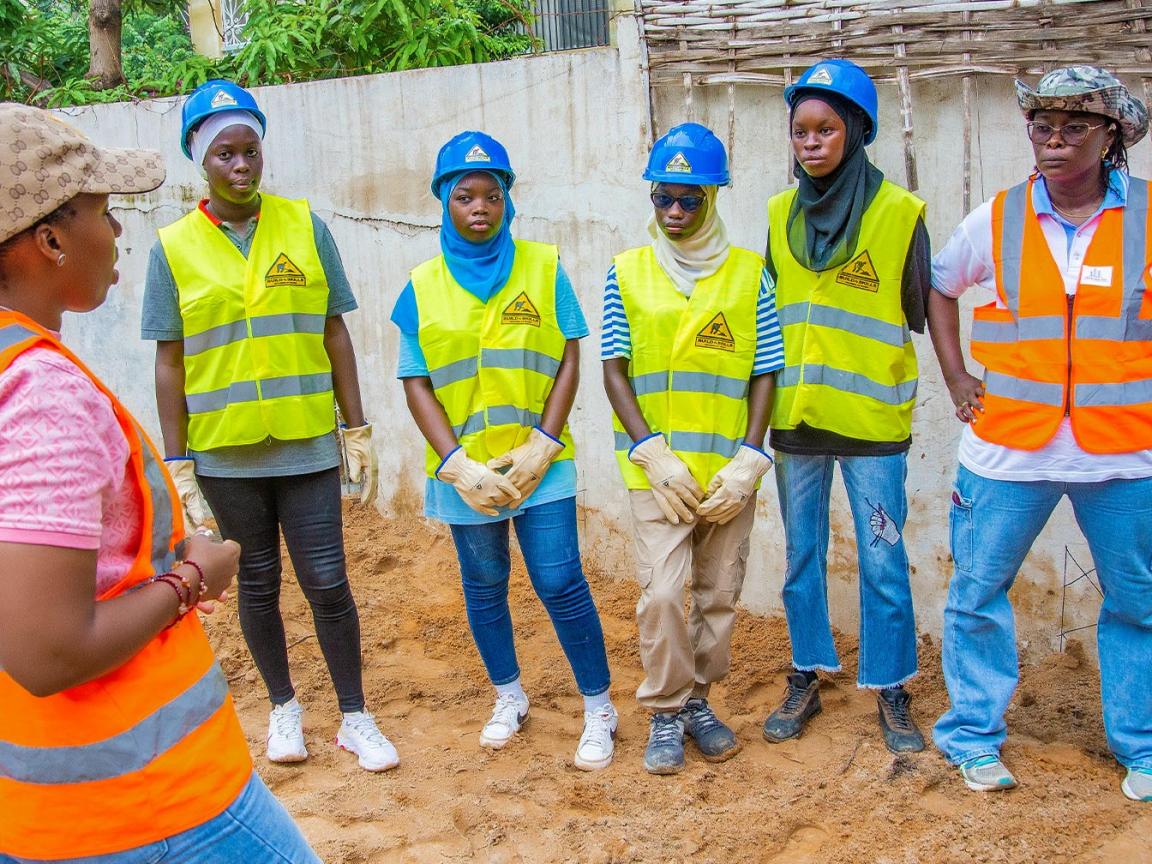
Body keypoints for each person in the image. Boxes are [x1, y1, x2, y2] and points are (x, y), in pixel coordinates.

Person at [0, 104, 322, 863]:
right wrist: (188, 578)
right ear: (48, 239)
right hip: (142, 798)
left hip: (37, 800)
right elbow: (47, 652)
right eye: (105, 214)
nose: (117, 234)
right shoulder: (39, 391)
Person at [141, 79, 397, 772]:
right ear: (203, 158)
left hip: (308, 445)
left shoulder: (305, 226)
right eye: (225, 153)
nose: (241, 165)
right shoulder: (173, 248)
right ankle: (284, 710)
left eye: (250, 150)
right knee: (256, 585)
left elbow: (334, 332)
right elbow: (170, 363)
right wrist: (178, 460)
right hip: (225, 456)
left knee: (327, 582)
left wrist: (356, 427)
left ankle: (354, 716)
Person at [930, 65, 1152, 802]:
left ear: (1111, 135)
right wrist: (957, 378)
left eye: (1075, 127)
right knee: (975, 594)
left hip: (1125, 454)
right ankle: (972, 736)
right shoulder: (994, 218)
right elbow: (941, 285)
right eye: (1042, 127)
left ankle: (1143, 747)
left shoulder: (1148, 218)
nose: (1053, 140)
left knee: (1138, 606)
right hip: (1006, 451)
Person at [390, 130, 618, 770]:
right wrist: (455, 464)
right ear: (444, 202)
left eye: (492, 195)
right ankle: (509, 696)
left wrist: (545, 444)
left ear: (508, 202)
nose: (480, 207)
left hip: (540, 464)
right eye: (465, 196)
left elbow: (572, 352)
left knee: (559, 579)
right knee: (485, 584)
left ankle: (599, 706)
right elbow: (415, 381)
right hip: (466, 473)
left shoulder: (543, 267)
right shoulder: (421, 285)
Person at [602, 122, 784, 774]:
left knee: (716, 596)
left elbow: (766, 368)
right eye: (663, 199)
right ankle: (664, 709)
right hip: (659, 475)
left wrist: (750, 458)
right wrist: (649, 450)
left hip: (725, 474)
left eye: (690, 200)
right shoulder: (625, 272)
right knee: (661, 593)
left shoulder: (749, 274)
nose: (675, 213)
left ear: (713, 197)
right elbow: (614, 369)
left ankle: (698, 702)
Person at [760, 59, 931, 754]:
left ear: (857, 130)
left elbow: (921, 310)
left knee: (883, 558)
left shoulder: (900, 214)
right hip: (795, 424)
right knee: (802, 555)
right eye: (801, 129)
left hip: (871, 431)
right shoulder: (777, 213)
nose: (811, 141)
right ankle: (807, 671)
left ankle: (891, 685)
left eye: (826, 128)